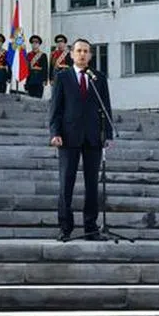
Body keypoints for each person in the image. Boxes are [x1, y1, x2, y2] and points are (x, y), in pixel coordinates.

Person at [48, 38, 113, 242]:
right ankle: (65, 227)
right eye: (79, 51)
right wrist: (54, 133)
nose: (82, 54)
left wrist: (107, 134)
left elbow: (105, 107)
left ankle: (91, 227)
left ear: (91, 55)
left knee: (92, 185)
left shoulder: (98, 78)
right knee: (66, 184)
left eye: (86, 51)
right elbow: (55, 107)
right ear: (72, 54)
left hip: (93, 138)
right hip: (68, 137)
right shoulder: (63, 76)